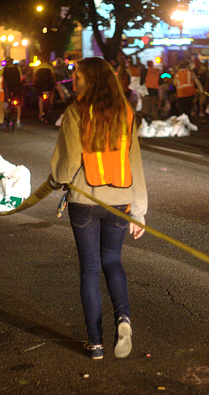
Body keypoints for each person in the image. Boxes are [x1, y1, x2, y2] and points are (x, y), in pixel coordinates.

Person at [50, 57, 147, 360]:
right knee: (113, 262)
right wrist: (139, 210)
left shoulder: (76, 112)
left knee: (90, 270)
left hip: (85, 200)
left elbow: (67, 166)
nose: (73, 81)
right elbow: (135, 161)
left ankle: (95, 344)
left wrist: (54, 182)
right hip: (120, 200)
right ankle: (124, 318)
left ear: (91, 79)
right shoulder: (125, 112)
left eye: (77, 76)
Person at [2, 61, 23, 126]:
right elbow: (21, 78)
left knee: (5, 102)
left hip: (7, 89)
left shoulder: (3, 69)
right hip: (16, 89)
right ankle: (18, 120)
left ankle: (4, 116)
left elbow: (1, 79)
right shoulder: (18, 69)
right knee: (18, 104)